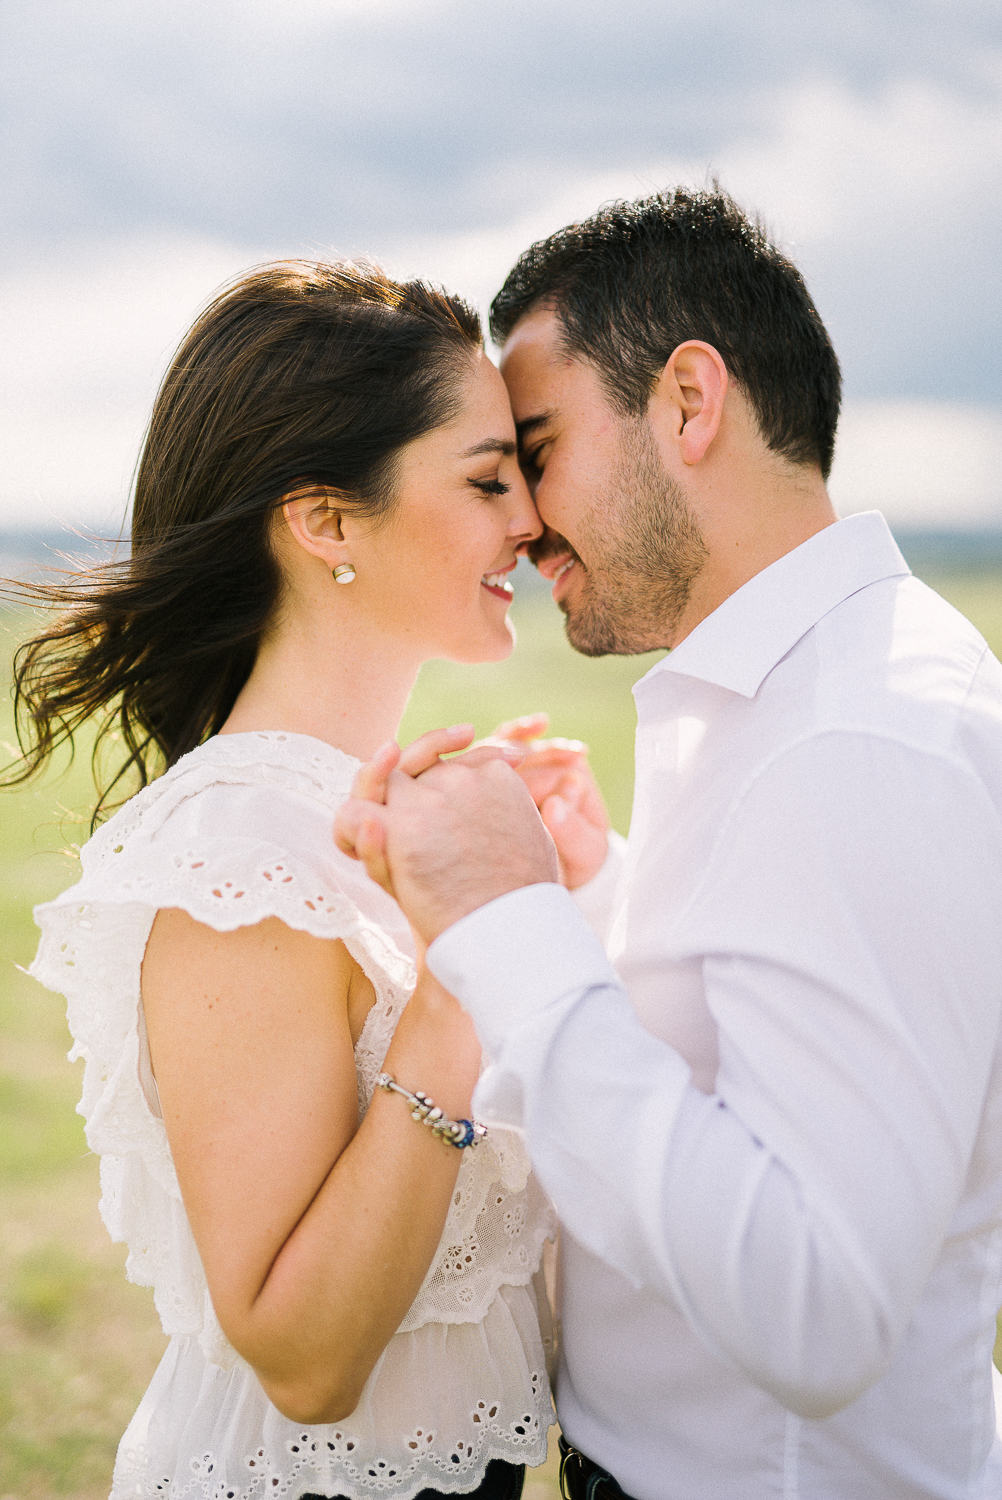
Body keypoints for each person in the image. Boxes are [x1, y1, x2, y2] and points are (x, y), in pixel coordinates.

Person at [335, 189, 1002, 1500]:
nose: (517, 521)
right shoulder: (792, 693)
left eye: (536, 446)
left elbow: (814, 1311)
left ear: (688, 402)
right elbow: (768, 1060)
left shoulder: (855, 738)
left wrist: (505, 919)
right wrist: (600, 889)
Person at [8, 259, 593, 1500]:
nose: (531, 520)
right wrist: (460, 981)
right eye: (489, 480)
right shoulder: (242, 858)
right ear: (327, 520)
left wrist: (567, 906)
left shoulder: (362, 815)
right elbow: (304, 1358)